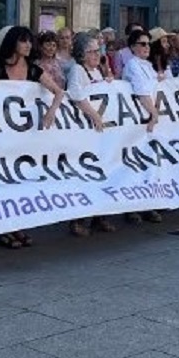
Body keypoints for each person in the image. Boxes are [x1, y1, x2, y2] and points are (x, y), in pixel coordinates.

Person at [0, 26, 66, 246]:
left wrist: (51, 111)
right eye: (24, 41)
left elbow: (58, 91)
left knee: (19, 179)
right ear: (13, 43)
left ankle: (18, 225)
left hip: (24, 134)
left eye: (30, 41)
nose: (29, 45)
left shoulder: (34, 69)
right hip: (0, 133)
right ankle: (2, 228)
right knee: (2, 180)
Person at [65, 32, 117, 236]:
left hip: (100, 131)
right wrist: (94, 115)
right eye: (92, 51)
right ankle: (78, 219)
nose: (97, 55)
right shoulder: (78, 70)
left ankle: (99, 216)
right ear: (81, 54)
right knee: (84, 174)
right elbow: (77, 95)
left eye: (99, 50)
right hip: (85, 129)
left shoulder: (95, 72)